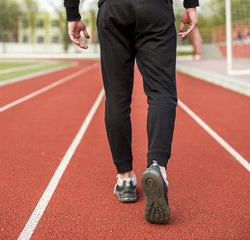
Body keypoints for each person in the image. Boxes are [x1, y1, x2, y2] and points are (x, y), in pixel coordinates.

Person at [64, 0, 199, 224]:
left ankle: (125, 179)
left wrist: (72, 14)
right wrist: (191, 5)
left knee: (117, 98)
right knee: (161, 92)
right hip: (155, 10)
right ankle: (157, 168)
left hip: (113, 10)